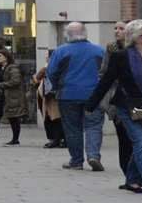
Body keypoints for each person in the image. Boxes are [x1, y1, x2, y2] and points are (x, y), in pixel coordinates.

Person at [88, 19, 142, 194]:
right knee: (139, 142)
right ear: (138, 38)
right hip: (127, 105)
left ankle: (132, 180)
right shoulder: (122, 56)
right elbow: (107, 79)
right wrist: (92, 103)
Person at [43, 22, 107, 170]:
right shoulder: (99, 51)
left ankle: (76, 160)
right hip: (94, 95)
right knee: (94, 126)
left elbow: (51, 73)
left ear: (67, 35)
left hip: (68, 94)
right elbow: (106, 73)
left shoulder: (61, 51)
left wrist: (53, 88)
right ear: (85, 33)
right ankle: (93, 155)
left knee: (72, 128)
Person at [103, 21, 132, 177]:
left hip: (139, 99)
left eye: (121, 28)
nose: (117, 31)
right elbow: (104, 72)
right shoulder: (111, 49)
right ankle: (128, 172)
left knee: (138, 140)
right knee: (123, 137)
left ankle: (138, 173)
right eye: (115, 28)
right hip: (118, 97)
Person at [32, 64, 66, 147]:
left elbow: (37, 77)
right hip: (54, 96)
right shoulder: (63, 68)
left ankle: (56, 140)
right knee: (56, 119)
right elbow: (37, 80)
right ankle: (60, 140)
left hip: (51, 97)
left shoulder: (47, 68)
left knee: (54, 120)